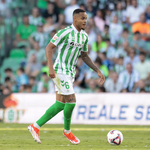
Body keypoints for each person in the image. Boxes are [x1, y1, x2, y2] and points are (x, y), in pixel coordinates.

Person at [28, 9, 105, 145]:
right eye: (82, 18)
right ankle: (67, 131)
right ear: (74, 19)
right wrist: (50, 67)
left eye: (86, 18)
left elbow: (85, 56)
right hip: (59, 70)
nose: (85, 21)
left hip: (70, 73)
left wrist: (97, 70)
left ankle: (35, 126)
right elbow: (48, 48)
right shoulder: (64, 32)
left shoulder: (84, 37)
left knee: (60, 104)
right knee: (72, 101)